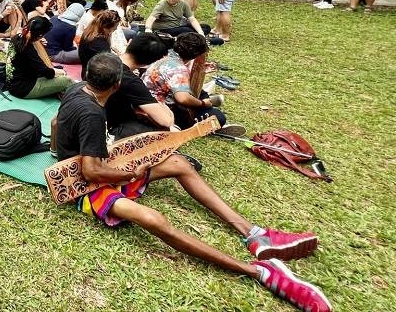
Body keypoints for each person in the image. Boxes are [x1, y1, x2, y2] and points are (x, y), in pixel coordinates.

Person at [51, 53, 331, 312]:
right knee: (154, 220)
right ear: (117, 85)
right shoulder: (92, 114)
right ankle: (261, 271)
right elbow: (91, 172)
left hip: (104, 167)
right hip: (84, 186)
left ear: (87, 76)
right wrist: (131, 174)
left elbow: (55, 122)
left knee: (179, 164)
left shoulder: (77, 89)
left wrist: (58, 151)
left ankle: (255, 234)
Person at [143, 32, 225, 128]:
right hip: (160, 110)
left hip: (145, 99)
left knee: (200, 93)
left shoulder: (165, 54)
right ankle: (205, 110)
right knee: (218, 117)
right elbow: (182, 99)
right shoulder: (179, 68)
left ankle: (207, 103)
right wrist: (202, 104)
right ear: (196, 55)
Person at [104, 33, 176, 139]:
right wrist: (168, 112)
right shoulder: (130, 81)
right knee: (172, 131)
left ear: (130, 43)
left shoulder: (103, 60)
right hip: (113, 129)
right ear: (149, 63)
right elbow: (165, 121)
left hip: (96, 118)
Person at [6, 16, 74, 100]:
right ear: (40, 35)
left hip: (13, 82)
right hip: (23, 88)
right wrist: (61, 72)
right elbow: (47, 73)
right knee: (67, 81)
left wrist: (36, 41)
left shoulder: (16, 38)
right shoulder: (28, 49)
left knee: (58, 76)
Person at [143, 0, 210, 38]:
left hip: (178, 25)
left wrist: (200, 32)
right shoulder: (162, 4)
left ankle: (195, 36)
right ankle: (194, 36)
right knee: (187, 30)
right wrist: (148, 29)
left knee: (205, 27)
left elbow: (192, 19)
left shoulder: (183, 4)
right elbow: (151, 18)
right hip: (164, 29)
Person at [78, 10, 122, 78]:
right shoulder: (98, 42)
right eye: (113, 29)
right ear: (105, 28)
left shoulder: (90, 32)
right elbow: (108, 64)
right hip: (94, 76)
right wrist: (119, 56)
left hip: (87, 70)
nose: (115, 29)